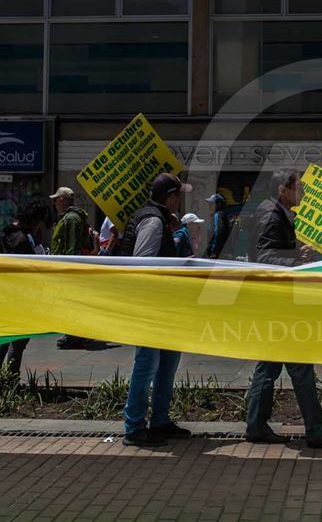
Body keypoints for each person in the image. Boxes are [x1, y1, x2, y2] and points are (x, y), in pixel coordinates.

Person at [245, 170, 322, 449]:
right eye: (297, 187)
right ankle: (316, 430)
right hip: (278, 304)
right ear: (282, 189)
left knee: (268, 367)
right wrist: (295, 258)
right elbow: (264, 256)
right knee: (300, 367)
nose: (301, 192)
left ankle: (256, 425)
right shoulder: (271, 215)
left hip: (274, 301)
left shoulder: (275, 212)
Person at [115, 173, 193, 447]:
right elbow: (144, 262)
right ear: (170, 197)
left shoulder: (159, 220)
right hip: (150, 306)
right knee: (147, 364)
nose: (180, 200)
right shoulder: (153, 220)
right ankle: (134, 427)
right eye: (178, 195)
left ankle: (159, 421)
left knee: (168, 362)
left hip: (163, 305)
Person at [0, 200, 50, 380]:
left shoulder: (9, 233)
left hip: (7, 293)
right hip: (20, 295)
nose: (40, 227)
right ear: (34, 220)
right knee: (18, 341)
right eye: (39, 223)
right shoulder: (22, 240)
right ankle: (10, 378)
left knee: (5, 338)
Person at [51, 187, 96, 350]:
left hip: (68, 267)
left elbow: (71, 246)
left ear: (63, 200)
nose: (55, 202)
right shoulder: (72, 217)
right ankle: (76, 333)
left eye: (56, 199)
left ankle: (74, 334)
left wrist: (67, 268)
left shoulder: (71, 219)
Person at [204, 194, 230, 259]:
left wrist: (214, 252)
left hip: (216, 255)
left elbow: (218, 233)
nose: (209, 206)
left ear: (218, 205)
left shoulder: (218, 215)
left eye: (211, 204)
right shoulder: (220, 215)